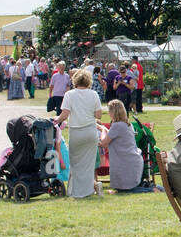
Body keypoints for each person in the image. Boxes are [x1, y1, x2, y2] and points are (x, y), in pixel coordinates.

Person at [56, 69, 104, 199]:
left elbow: (64, 114)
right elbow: (98, 114)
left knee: (75, 163)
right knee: (88, 164)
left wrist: (56, 120)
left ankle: (76, 191)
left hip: (76, 132)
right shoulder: (93, 94)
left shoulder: (69, 95)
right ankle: (90, 188)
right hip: (90, 131)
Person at [101, 99, 145, 192]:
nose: (108, 113)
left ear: (113, 112)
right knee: (121, 190)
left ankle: (153, 190)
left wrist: (103, 129)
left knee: (127, 190)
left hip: (127, 164)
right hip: (131, 161)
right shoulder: (126, 124)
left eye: (109, 111)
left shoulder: (118, 125)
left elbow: (104, 142)